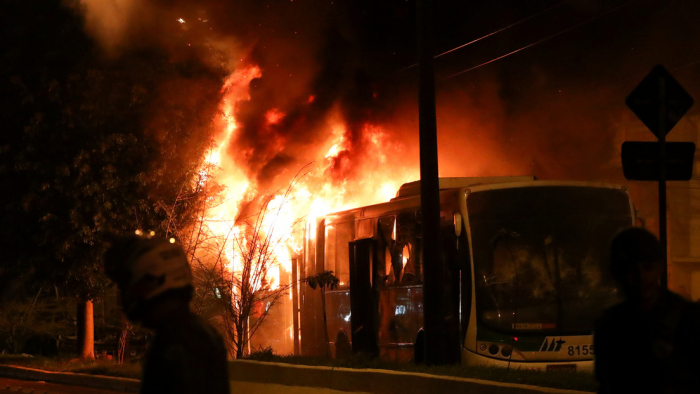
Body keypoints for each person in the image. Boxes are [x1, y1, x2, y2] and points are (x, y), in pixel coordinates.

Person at [104, 233, 230, 394]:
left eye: (129, 282)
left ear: (153, 280)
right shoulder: (194, 333)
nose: (126, 294)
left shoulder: (177, 346)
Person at [594, 228, 700, 393]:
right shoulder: (609, 325)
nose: (640, 276)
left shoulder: (688, 319)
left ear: (660, 268)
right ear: (617, 273)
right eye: (631, 269)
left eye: (648, 267)